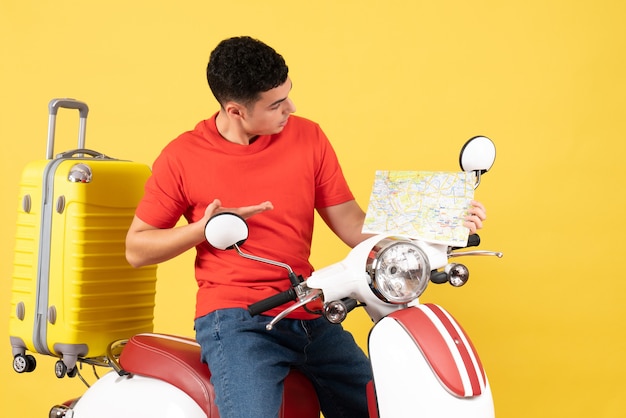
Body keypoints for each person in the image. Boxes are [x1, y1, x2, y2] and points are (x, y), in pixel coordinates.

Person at [126, 36, 487, 418]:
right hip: (236, 319)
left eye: (289, 95)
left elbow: (351, 222)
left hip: (309, 305)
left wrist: (437, 223)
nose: (291, 109)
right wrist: (204, 228)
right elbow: (137, 249)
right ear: (236, 111)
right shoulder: (182, 157)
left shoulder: (308, 136)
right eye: (277, 104)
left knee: (380, 407)